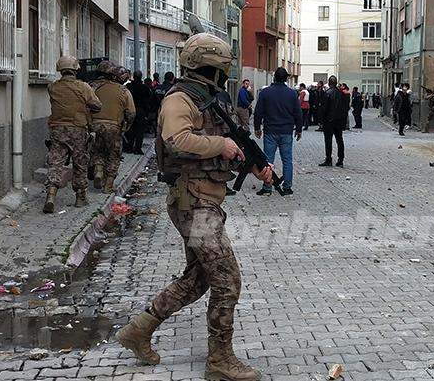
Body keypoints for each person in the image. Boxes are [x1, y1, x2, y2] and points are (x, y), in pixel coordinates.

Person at [116, 33, 273, 381]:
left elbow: (225, 148)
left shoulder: (209, 100)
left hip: (205, 200)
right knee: (227, 280)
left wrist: (253, 165)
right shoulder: (180, 99)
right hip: (195, 204)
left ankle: (138, 330)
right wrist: (222, 144)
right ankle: (220, 360)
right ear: (213, 68)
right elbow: (177, 139)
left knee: (198, 278)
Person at [43, 56, 102, 213]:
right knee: (79, 163)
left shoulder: (53, 87)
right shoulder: (83, 87)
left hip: (57, 130)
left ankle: (50, 195)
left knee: (55, 162)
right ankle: (80, 197)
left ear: (60, 70)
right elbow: (97, 105)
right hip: (78, 129)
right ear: (76, 70)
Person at [253, 68, 302, 196]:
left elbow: (258, 112)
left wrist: (257, 128)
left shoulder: (265, 93)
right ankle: (287, 187)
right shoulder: (292, 94)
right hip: (286, 131)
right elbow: (298, 113)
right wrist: (299, 129)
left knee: (268, 160)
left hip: (270, 130)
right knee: (287, 160)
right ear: (286, 79)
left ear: (274, 77)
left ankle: (267, 186)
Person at [89, 61, 136, 193]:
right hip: (113, 127)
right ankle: (108, 185)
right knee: (113, 155)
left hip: (95, 125)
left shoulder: (92, 87)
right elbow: (131, 113)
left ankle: (98, 171)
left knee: (97, 151)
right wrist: (127, 125)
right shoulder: (123, 90)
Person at [318, 75, 348, 167]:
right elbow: (344, 108)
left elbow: (324, 108)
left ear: (329, 82)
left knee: (328, 140)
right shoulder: (341, 93)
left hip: (329, 120)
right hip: (339, 120)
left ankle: (328, 159)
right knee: (339, 140)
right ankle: (340, 160)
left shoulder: (327, 93)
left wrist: (321, 120)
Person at [124, 71, 153, 154]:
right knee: (140, 131)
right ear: (141, 77)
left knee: (130, 129)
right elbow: (149, 100)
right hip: (141, 111)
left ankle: (129, 147)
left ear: (133, 76)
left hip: (129, 110)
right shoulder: (144, 88)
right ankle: (137, 148)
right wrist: (147, 112)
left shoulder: (128, 87)